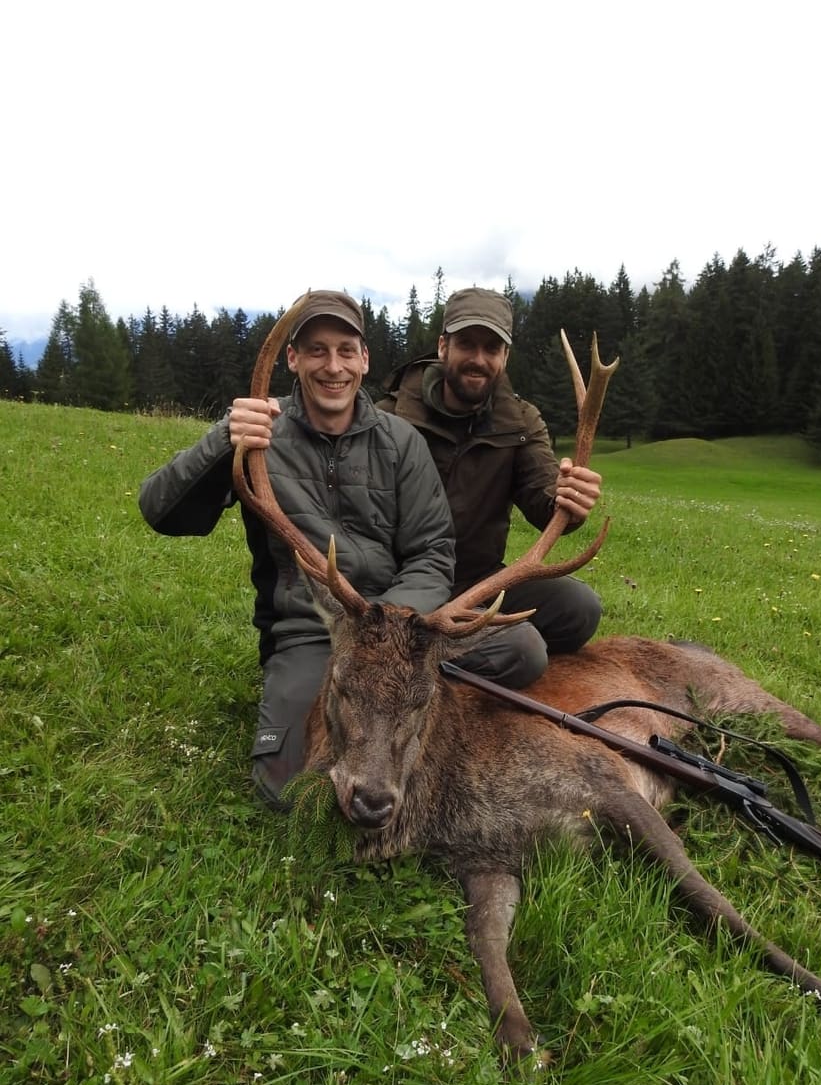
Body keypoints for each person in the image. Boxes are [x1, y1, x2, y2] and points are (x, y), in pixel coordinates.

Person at [140, 290, 455, 809]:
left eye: (346, 351)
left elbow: (433, 551)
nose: (334, 366)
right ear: (293, 359)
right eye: (316, 350)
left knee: (523, 653)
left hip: (400, 626)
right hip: (311, 631)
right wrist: (224, 439)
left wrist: (392, 626)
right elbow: (161, 512)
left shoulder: (401, 442)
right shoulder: (259, 435)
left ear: (365, 360)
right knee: (288, 790)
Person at [378, 287, 603, 688]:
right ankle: (406, 662)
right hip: (404, 586)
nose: (478, 359)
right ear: (443, 346)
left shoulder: (519, 421)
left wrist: (569, 502)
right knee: (524, 652)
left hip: (479, 580)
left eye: (492, 347)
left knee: (580, 609)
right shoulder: (391, 418)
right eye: (467, 344)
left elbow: (543, 503)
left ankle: (436, 653)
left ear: (505, 356)